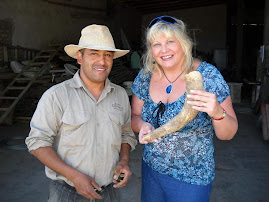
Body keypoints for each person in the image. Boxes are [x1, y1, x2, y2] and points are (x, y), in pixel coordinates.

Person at [131, 15, 238, 202]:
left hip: (191, 178)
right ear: (150, 50)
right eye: (156, 44)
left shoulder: (208, 76)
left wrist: (217, 112)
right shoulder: (145, 76)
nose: (164, 50)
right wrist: (142, 126)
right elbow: (134, 116)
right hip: (151, 169)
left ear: (184, 43)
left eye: (170, 41)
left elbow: (227, 134)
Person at [25, 24, 137, 202]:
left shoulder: (121, 94)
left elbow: (126, 134)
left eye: (107, 55)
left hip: (109, 191)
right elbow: (37, 142)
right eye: (94, 53)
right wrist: (75, 176)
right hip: (66, 192)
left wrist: (123, 161)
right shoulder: (56, 96)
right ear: (80, 57)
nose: (102, 61)